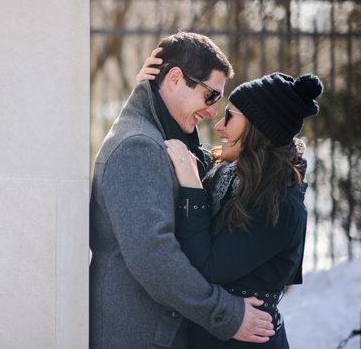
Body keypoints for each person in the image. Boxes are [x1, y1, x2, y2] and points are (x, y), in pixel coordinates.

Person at [90, 31, 275, 349]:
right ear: (175, 78)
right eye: (211, 96)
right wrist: (226, 314)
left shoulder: (161, 136)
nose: (213, 112)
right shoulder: (138, 147)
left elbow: (213, 173)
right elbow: (156, 259)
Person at [160, 72, 323, 348]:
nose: (220, 126)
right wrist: (150, 83)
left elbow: (209, 267)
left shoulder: (280, 205)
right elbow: (176, 128)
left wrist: (191, 188)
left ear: (258, 128)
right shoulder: (227, 177)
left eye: (230, 117)